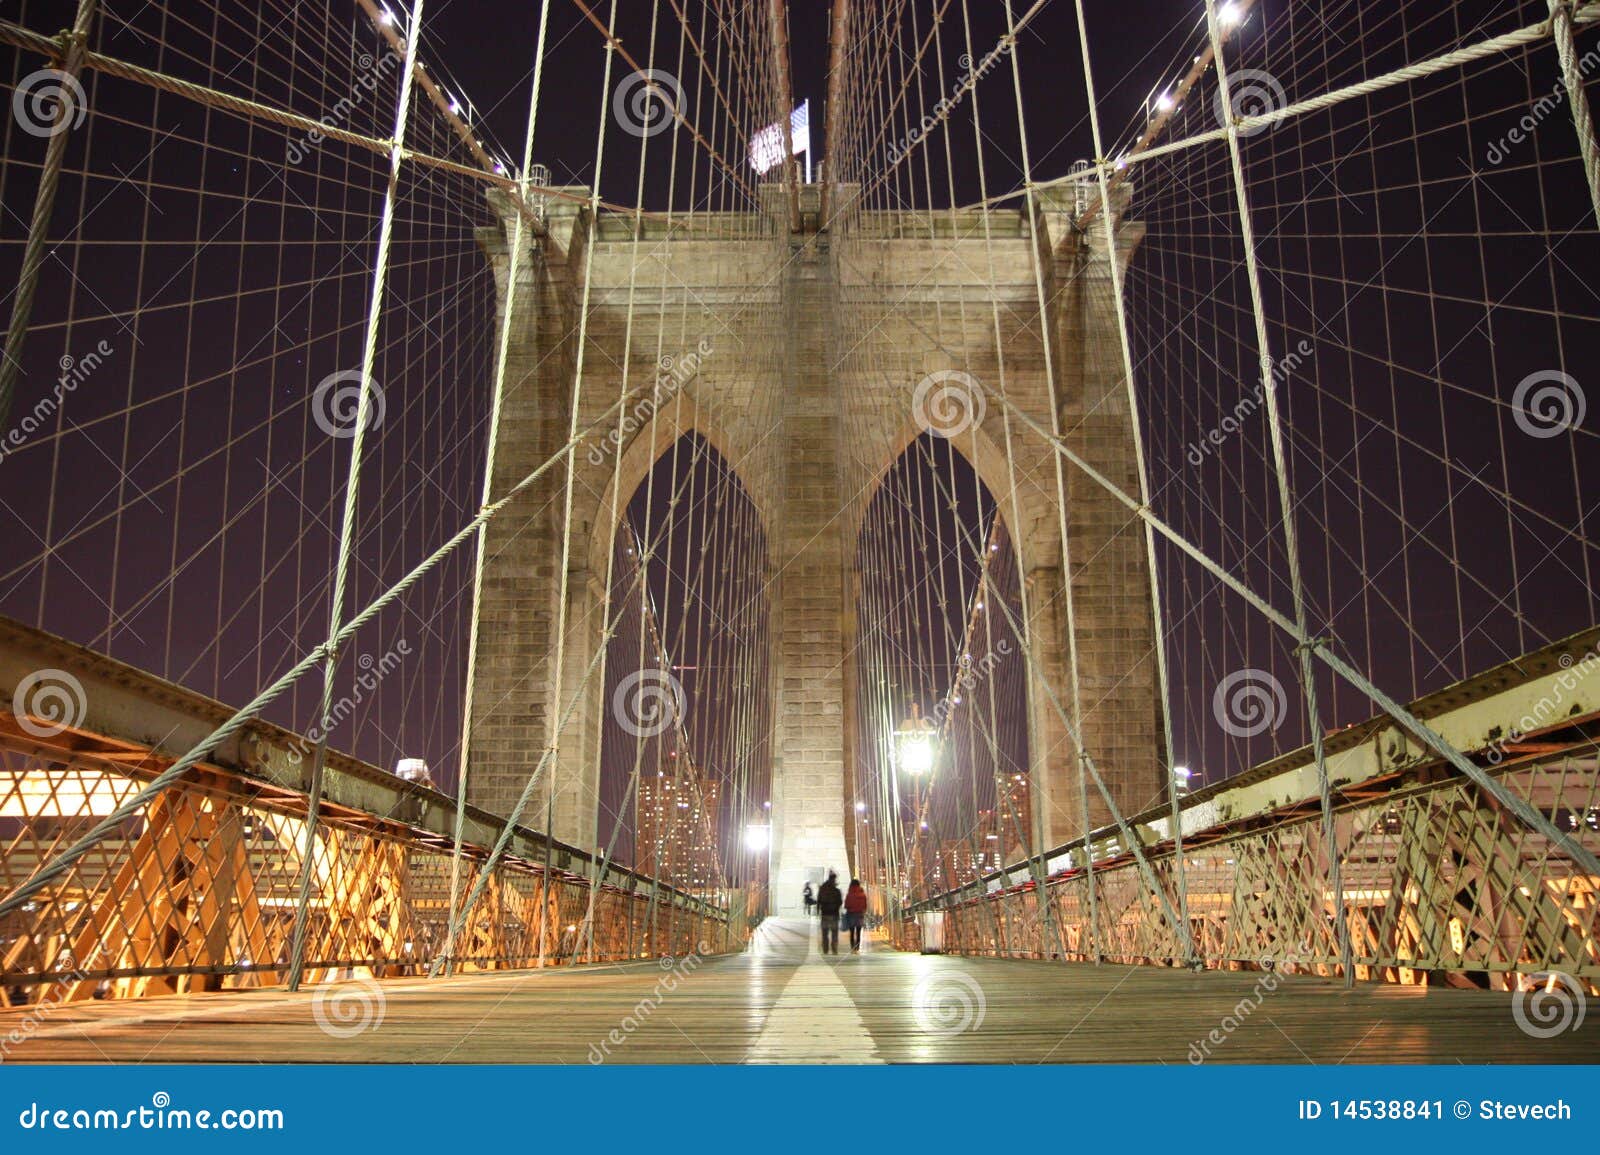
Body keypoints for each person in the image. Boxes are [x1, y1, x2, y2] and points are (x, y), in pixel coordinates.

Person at [815, 871, 843, 955]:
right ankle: (834, 948)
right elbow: (840, 902)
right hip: (834, 914)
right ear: (834, 879)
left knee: (825, 933)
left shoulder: (822, 889)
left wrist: (818, 910)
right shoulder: (836, 890)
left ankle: (825, 949)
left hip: (825, 914)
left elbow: (818, 900)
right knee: (834, 933)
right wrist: (837, 907)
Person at [843, 878, 868, 953]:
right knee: (858, 932)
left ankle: (852, 947)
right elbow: (865, 905)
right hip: (859, 914)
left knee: (852, 932)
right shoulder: (862, 894)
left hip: (851, 914)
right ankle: (857, 947)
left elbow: (846, 905)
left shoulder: (849, 894)